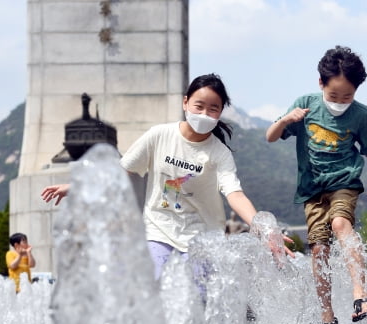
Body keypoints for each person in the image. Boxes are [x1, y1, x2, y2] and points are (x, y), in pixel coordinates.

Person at [42, 73, 293, 284]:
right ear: (185, 103)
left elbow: (234, 194)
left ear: (220, 113)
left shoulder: (219, 153)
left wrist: (262, 227)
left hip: (202, 236)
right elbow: (121, 169)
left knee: (199, 300)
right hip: (159, 229)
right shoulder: (159, 135)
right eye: (199, 106)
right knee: (156, 290)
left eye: (213, 108)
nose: (205, 113)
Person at [265, 46, 367, 324]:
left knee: (341, 223)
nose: (341, 102)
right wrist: (287, 120)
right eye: (334, 96)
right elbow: (270, 137)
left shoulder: (361, 115)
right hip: (312, 190)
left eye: (347, 97)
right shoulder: (305, 106)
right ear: (320, 84)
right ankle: (327, 316)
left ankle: (359, 295)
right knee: (319, 251)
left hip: (345, 182)